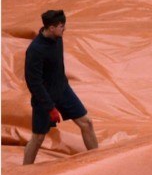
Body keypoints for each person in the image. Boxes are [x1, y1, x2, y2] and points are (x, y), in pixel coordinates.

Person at [23, 10, 98, 165]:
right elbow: (34, 83)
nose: (65, 29)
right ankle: (24, 171)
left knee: (87, 122)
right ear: (51, 28)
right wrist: (50, 107)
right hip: (44, 97)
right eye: (62, 26)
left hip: (62, 90)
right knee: (38, 138)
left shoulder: (58, 38)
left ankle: (99, 160)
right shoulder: (35, 50)